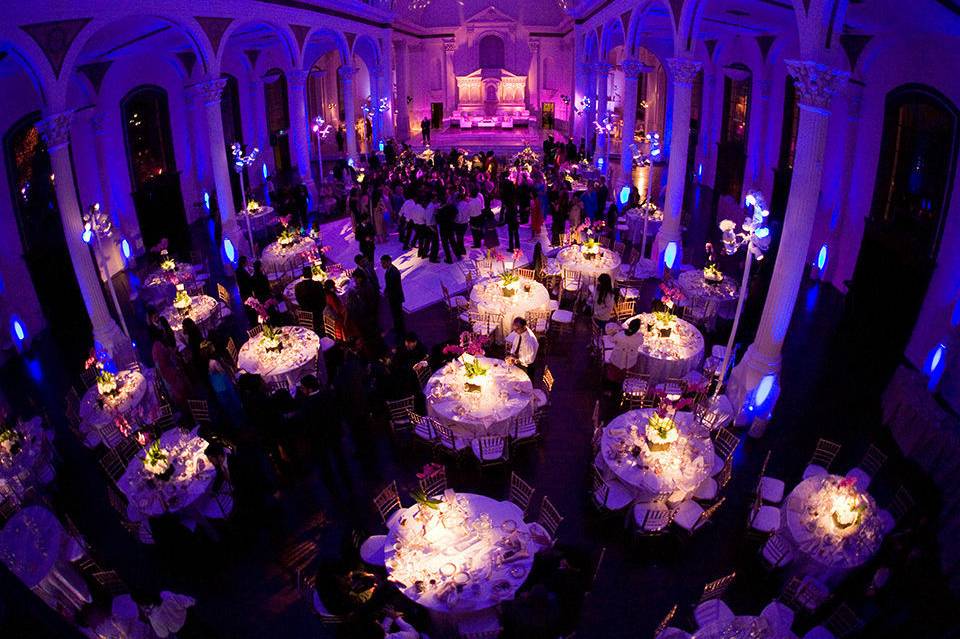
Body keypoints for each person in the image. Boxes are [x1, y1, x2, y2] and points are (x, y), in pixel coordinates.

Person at [605, 318, 645, 383]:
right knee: (625, 376)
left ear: (629, 325)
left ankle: (612, 384)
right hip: (630, 361)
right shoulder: (640, 338)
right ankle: (623, 384)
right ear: (638, 329)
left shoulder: (620, 335)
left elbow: (612, 340)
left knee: (613, 376)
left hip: (617, 359)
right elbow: (641, 343)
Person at [294, 266, 327, 332]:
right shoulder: (318, 284)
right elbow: (324, 298)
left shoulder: (298, 286)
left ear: (303, 275)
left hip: (306, 312)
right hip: (318, 311)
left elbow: (298, 299)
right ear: (311, 274)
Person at [381, 254, 405, 337]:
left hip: (396, 297)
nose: (382, 265)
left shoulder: (394, 272)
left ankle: (400, 330)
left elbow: (393, 286)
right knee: (395, 313)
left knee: (398, 313)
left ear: (388, 262)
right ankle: (397, 327)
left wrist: (387, 292)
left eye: (383, 263)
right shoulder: (389, 270)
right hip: (393, 296)